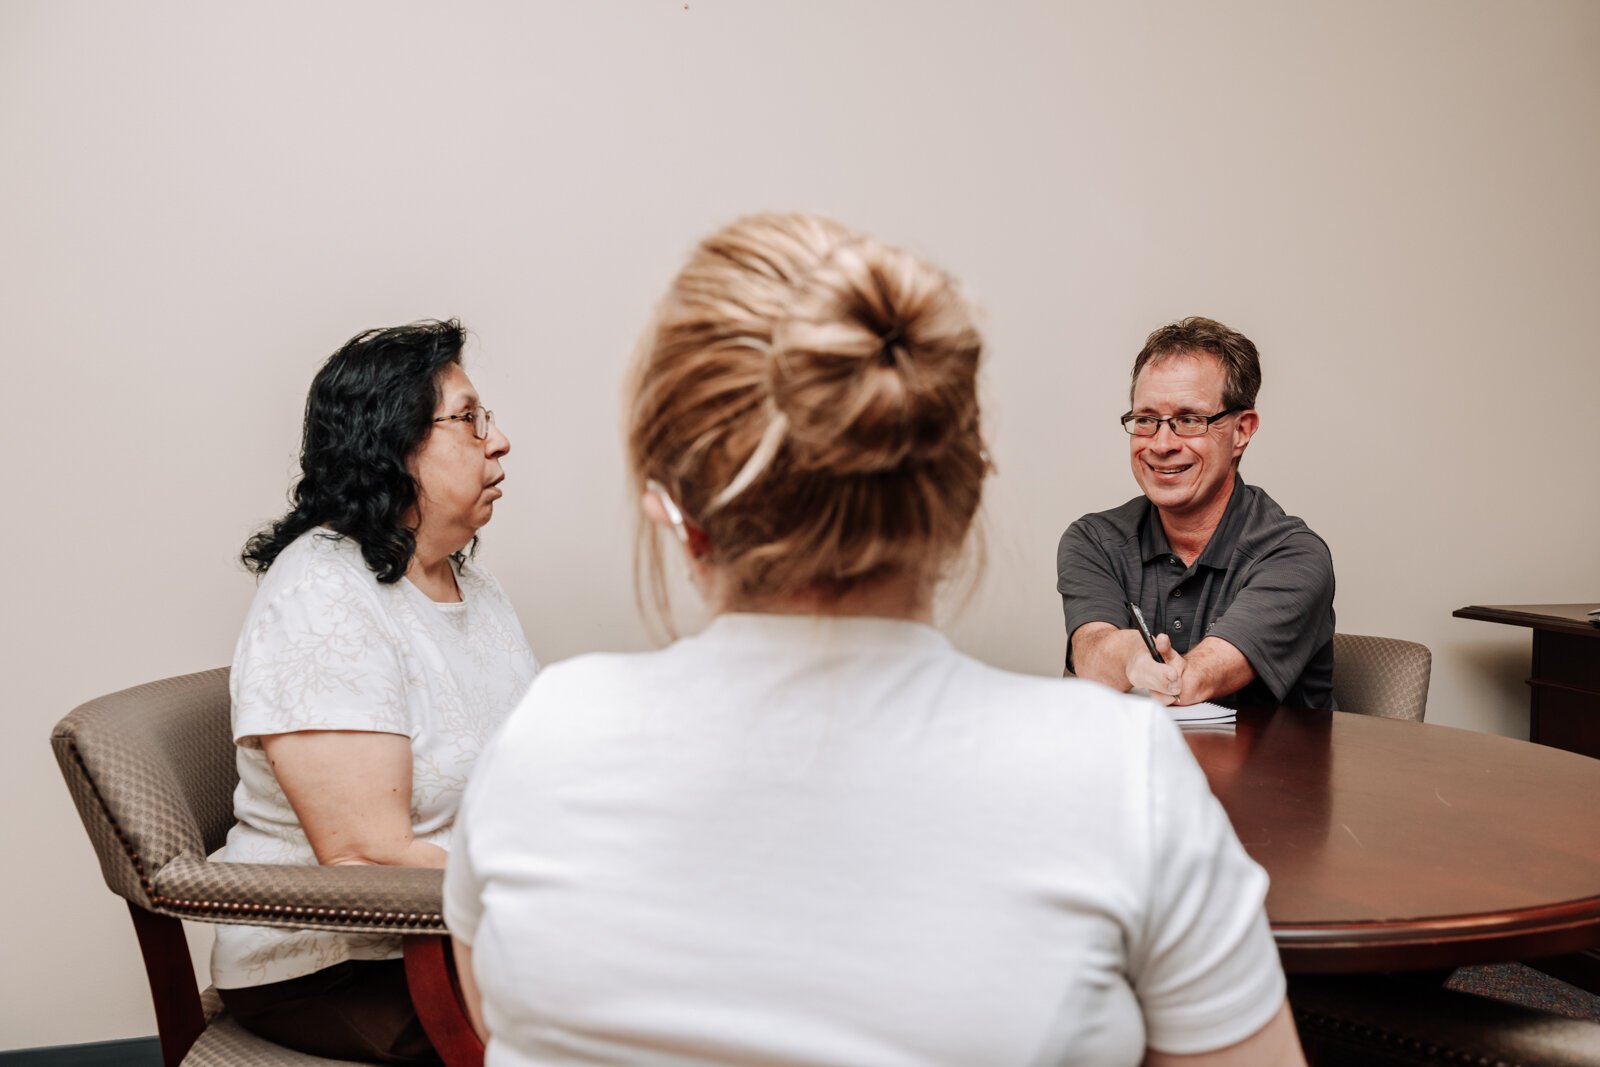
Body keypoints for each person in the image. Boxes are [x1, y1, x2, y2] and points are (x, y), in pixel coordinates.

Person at [444, 216, 1304, 1066]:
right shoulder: (1123, 775)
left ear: (679, 515)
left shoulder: (542, 735)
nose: (1161, 441)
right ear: (960, 503)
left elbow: (489, 1017)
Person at [213, 319, 539, 1064]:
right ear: (392, 444)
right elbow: (367, 856)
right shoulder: (323, 595)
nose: (498, 440)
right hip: (347, 965)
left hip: (466, 930)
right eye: (468, 419)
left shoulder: (473, 586)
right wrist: (556, 891)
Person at [1056, 317, 1336, 709]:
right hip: (1141, 768)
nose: (1162, 443)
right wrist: (1132, 657)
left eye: (1189, 420)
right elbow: (1090, 651)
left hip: (1273, 771)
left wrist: (1169, 673)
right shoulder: (1094, 540)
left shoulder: (1295, 557)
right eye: (1146, 420)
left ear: (1241, 430)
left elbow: (1199, 678)